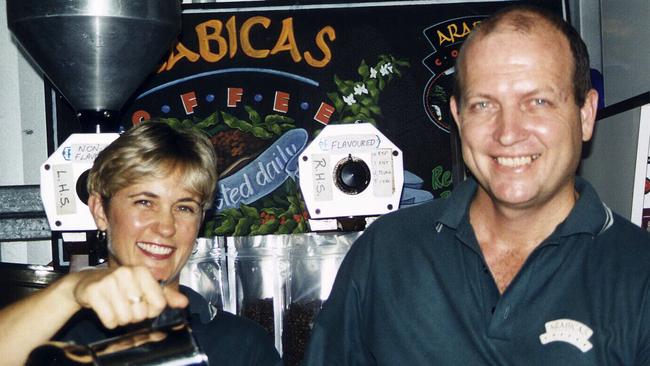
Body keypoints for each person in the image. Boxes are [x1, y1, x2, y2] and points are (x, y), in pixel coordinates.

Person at [303, 5, 650, 365]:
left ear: (585, 115)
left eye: (538, 102)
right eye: (484, 104)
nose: (508, 133)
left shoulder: (640, 274)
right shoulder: (386, 255)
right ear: (458, 117)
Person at [0, 122, 281, 365]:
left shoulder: (241, 344)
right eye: (145, 202)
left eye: (184, 207)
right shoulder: (52, 330)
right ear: (100, 210)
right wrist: (69, 292)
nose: (166, 226)